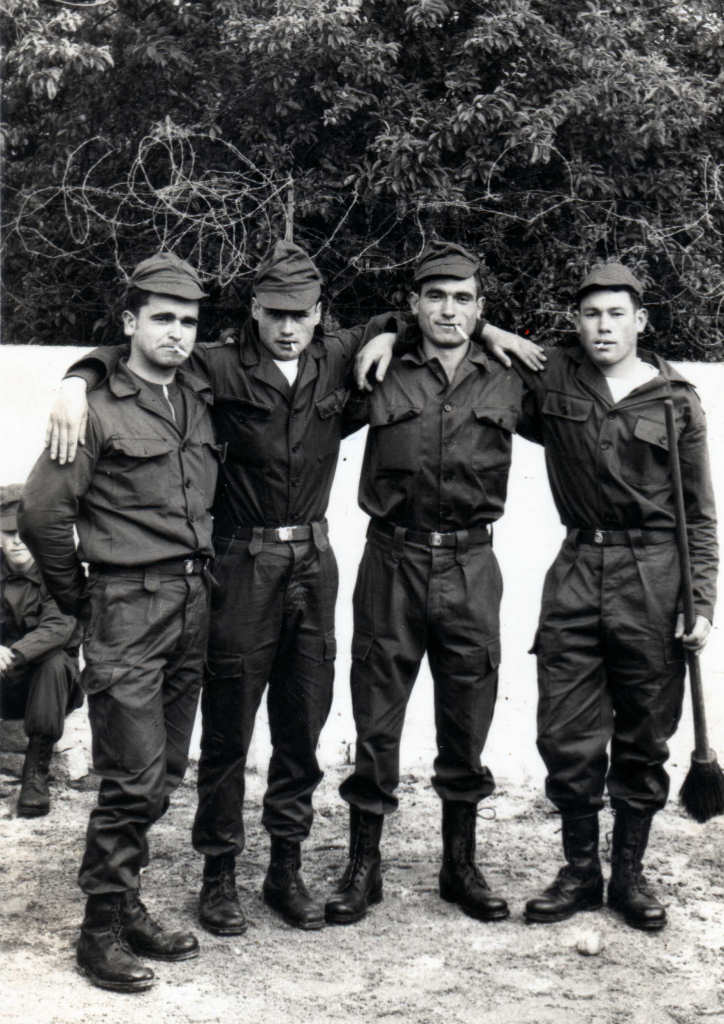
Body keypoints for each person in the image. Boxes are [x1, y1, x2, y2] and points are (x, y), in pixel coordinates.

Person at [44, 239, 540, 937]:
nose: (287, 326)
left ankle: (286, 868)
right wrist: (76, 378)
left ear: (319, 314)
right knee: (228, 730)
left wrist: (489, 331)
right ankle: (220, 876)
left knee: (302, 725)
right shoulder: (214, 364)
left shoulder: (340, 356)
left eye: (300, 313)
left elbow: (427, 318)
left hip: (313, 559)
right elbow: (136, 354)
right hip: (240, 562)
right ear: (253, 309)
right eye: (274, 312)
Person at [19, 252, 217, 992]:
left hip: (193, 600)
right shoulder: (96, 409)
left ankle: (126, 902)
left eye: (188, 321)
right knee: (131, 777)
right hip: (127, 604)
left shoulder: (198, 394)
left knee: (163, 772)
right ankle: (98, 930)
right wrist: (78, 597)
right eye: (162, 318)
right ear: (130, 323)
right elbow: (42, 513)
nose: (177, 332)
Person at [325, 241, 525, 926]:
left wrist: (496, 336)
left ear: (480, 308)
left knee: (468, 714)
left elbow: (602, 381)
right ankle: (363, 865)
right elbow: (299, 385)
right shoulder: (379, 369)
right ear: (414, 304)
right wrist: (385, 333)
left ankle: (459, 864)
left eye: (463, 299)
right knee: (376, 716)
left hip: (472, 564)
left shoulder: (509, 377)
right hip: (393, 559)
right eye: (435, 296)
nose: (448, 310)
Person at [516, 263, 718, 931]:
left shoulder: (675, 400)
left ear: (641, 321)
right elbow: (474, 341)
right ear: (575, 322)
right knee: (564, 732)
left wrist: (701, 602)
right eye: (591, 314)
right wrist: (491, 331)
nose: (603, 327)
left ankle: (628, 875)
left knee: (644, 732)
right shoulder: (554, 378)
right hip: (577, 567)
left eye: (616, 314)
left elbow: (700, 514)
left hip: (653, 578)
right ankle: (580, 872)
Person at [0, 482, 81, 818]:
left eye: (23, 533)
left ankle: (36, 772)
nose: (17, 541)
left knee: (54, 661)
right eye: (8, 533)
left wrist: (12, 653)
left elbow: (59, 626)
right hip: (6, 684)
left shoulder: (59, 571)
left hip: (49, 688)